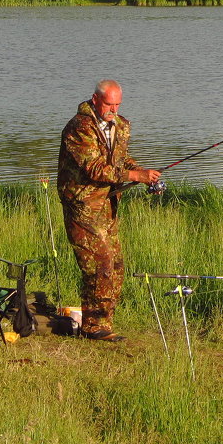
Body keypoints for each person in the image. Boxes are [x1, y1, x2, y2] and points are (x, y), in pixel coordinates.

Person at [56, 80, 161, 342]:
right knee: (98, 262)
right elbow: (94, 168)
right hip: (81, 205)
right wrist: (134, 175)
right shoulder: (79, 127)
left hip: (107, 205)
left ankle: (104, 322)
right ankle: (93, 327)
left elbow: (119, 159)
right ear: (95, 99)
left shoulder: (121, 125)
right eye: (108, 104)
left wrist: (145, 175)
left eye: (117, 104)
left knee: (115, 264)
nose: (113, 109)